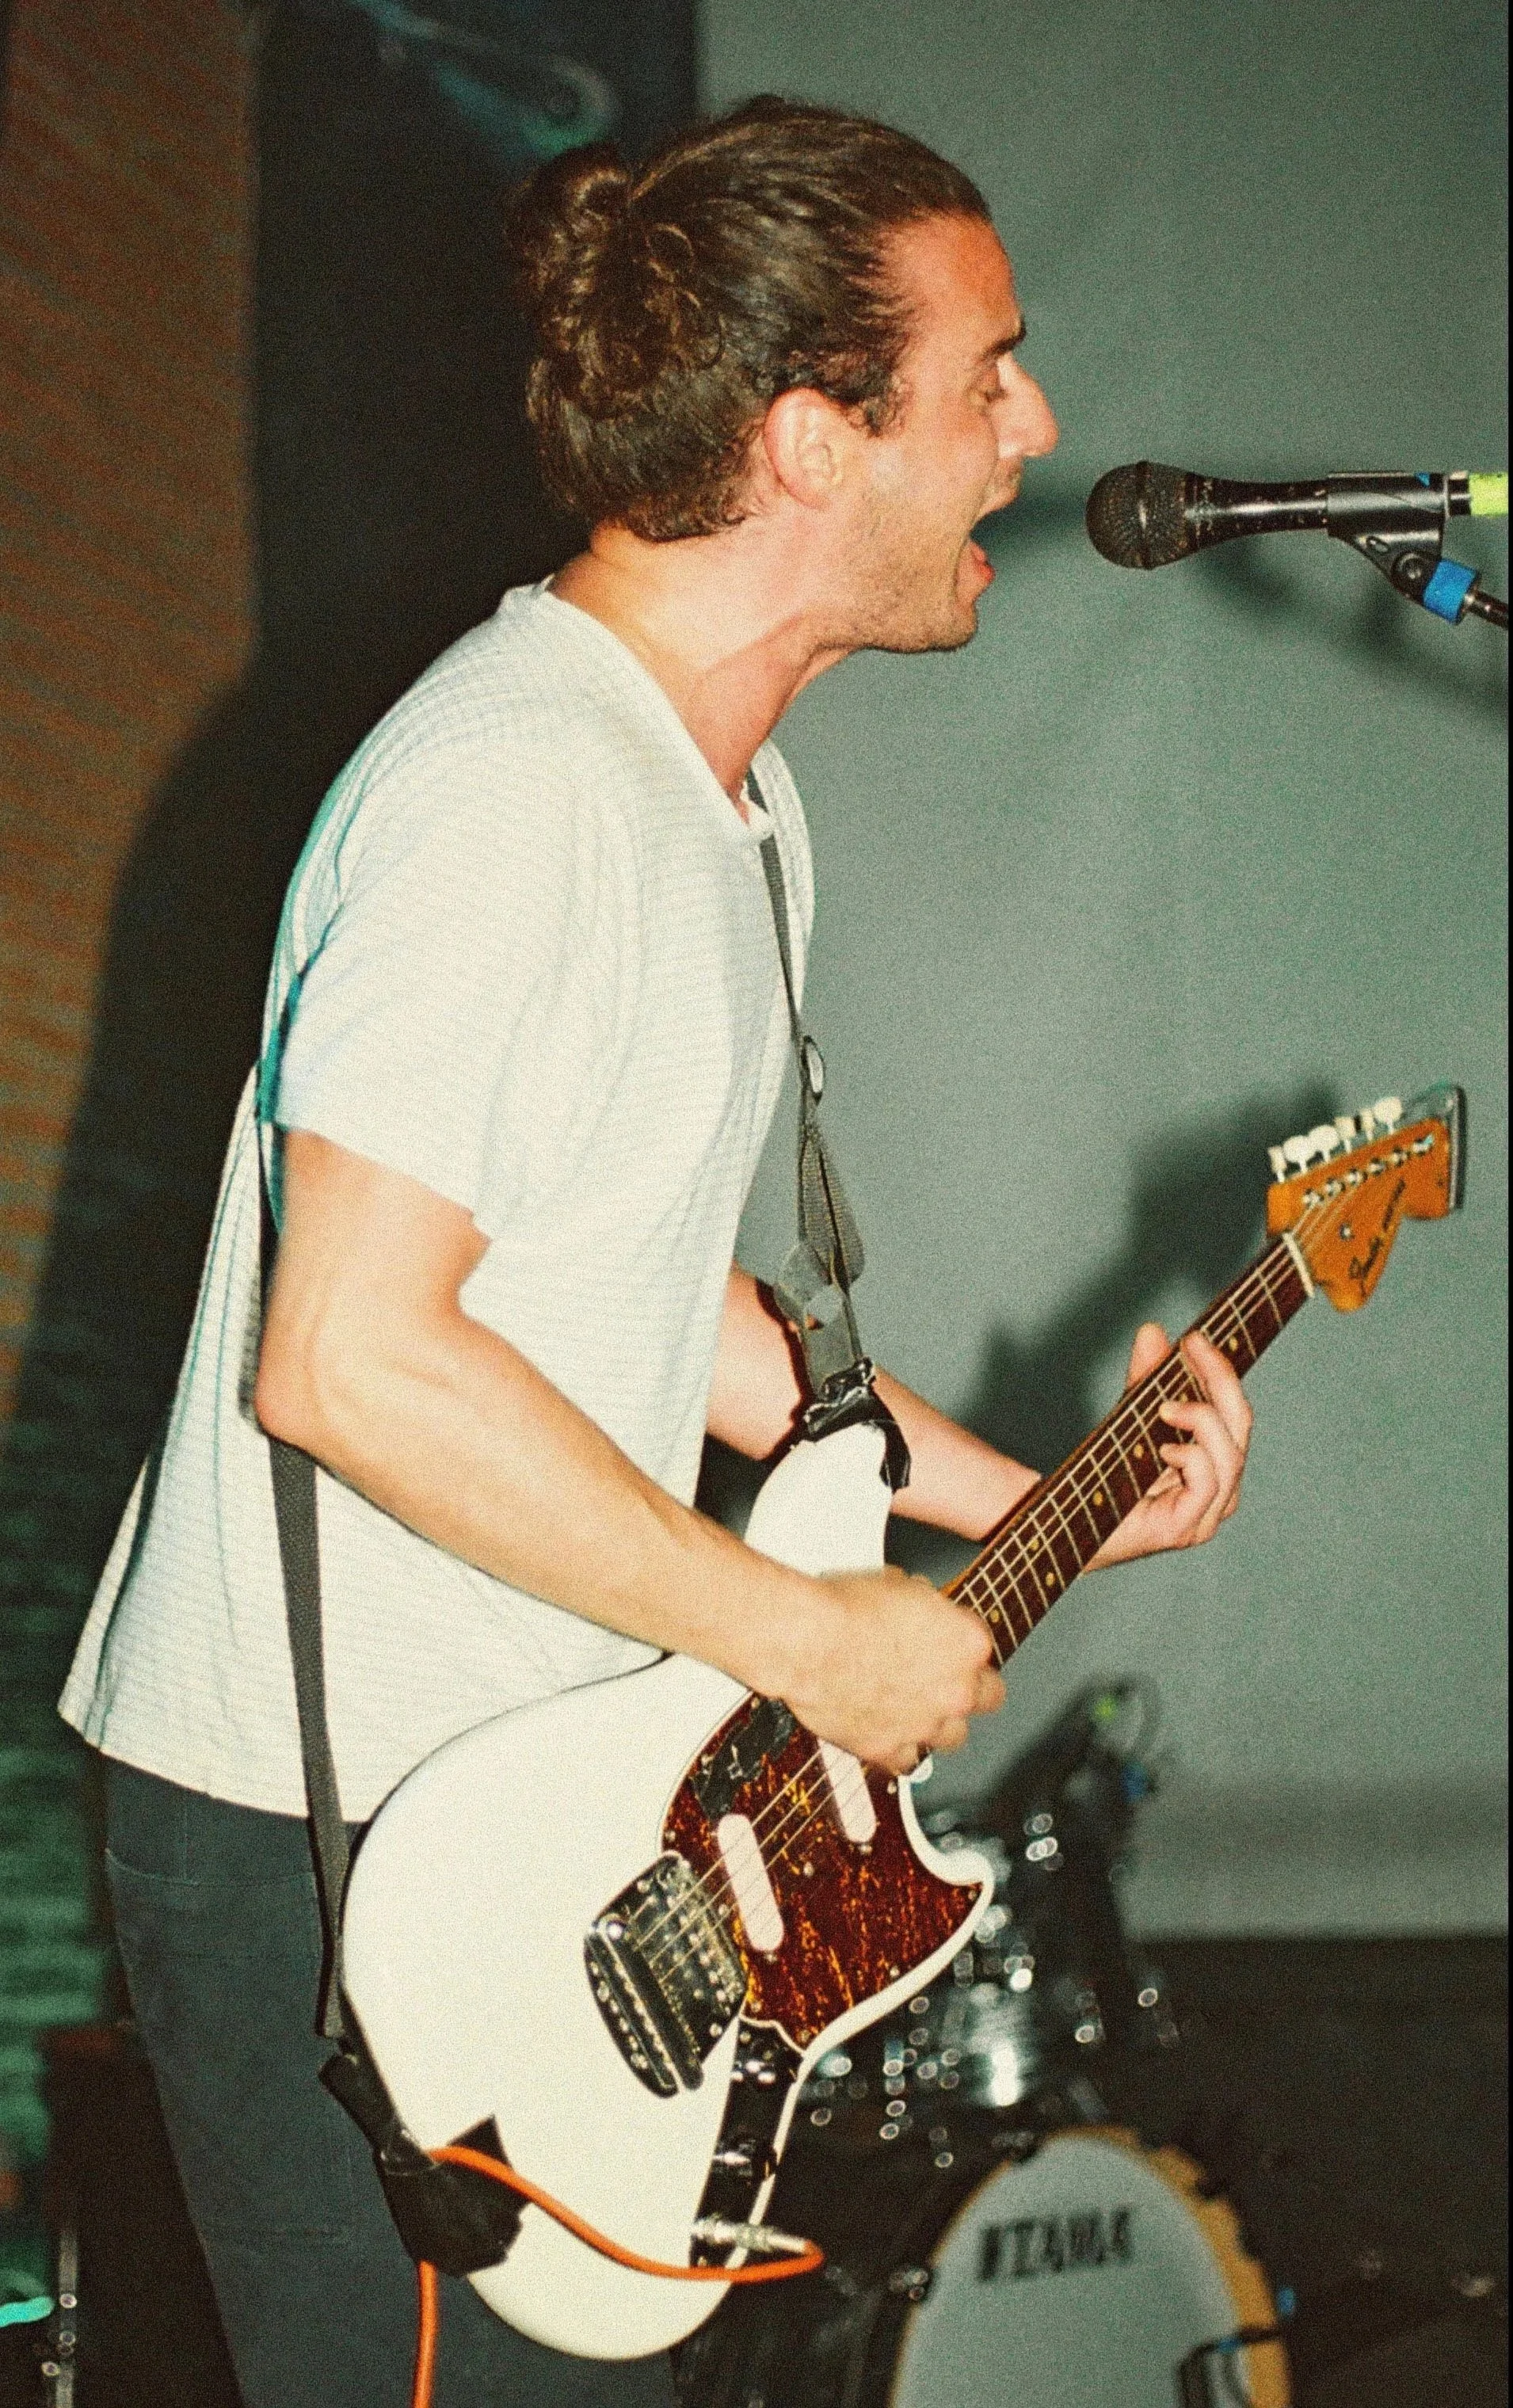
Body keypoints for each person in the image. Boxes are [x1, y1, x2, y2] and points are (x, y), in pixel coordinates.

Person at [59, 97, 1252, 2408]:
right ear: (812, 440)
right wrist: (796, 1632)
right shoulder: (514, 784)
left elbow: (623, 1297)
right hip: (350, 1857)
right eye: (984, 372)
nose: (1038, 423)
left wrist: (1031, 1506)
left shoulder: (713, 796)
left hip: (545, 1815)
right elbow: (354, 1363)